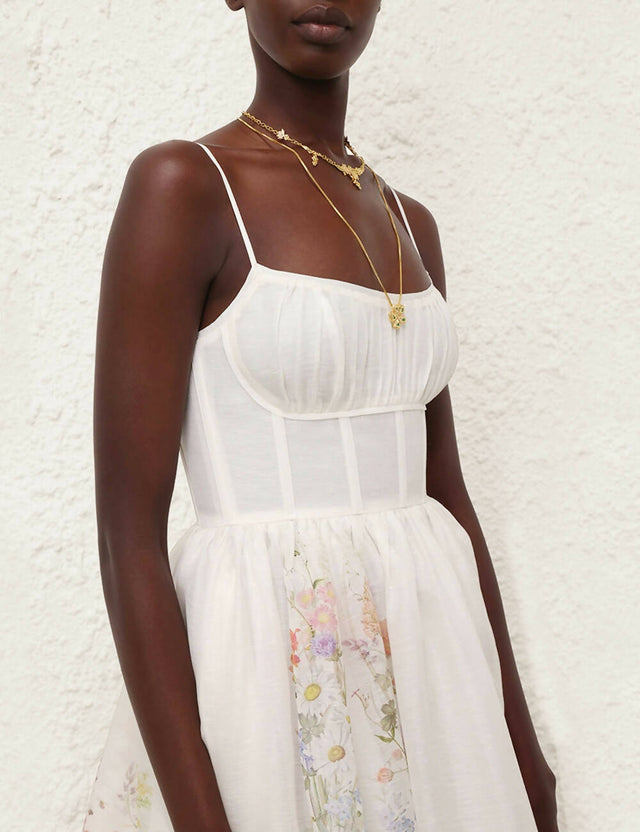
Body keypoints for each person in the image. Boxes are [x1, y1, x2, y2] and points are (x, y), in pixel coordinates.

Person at [84, 2, 559, 831]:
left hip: (437, 677)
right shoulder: (185, 188)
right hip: (266, 675)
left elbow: (448, 497)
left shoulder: (412, 224)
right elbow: (128, 537)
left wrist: (523, 753)